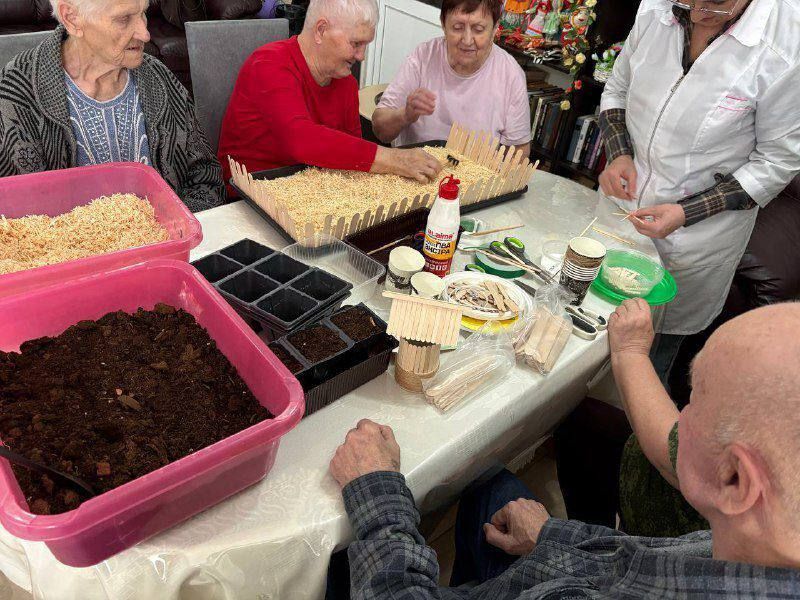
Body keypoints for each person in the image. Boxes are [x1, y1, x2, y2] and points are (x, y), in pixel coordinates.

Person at [328, 301, 800, 598]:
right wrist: (552, 535)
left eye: (694, 400)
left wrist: (379, 498)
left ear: (735, 480)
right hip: (558, 569)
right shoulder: (761, 546)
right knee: (490, 480)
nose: (680, 414)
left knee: (336, 561)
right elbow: (639, 563)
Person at [597, 0, 800, 382]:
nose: (696, 13)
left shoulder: (787, 42)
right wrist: (619, 153)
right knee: (585, 335)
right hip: (620, 210)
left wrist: (685, 212)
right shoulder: (656, 8)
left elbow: (777, 163)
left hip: (693, 242)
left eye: (716, 3)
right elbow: (617, 88)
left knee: (646, 366)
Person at [0, 0, 224, 212]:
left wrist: (176, 226)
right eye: (124, 19)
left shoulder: (158, 78)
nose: (145, 34)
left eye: (143, 13)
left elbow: (206, 176)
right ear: (72, 18)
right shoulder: (19, 92)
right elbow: (18, 217)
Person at [217, 0, 442, 187]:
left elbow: (354, 156)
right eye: (356, 43)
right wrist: (395, 159)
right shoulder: (268, 63)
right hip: (249, 194)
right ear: (321, 30)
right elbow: (301, 139)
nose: (361, 56)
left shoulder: (346, 83)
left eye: (366, 45)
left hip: (312, 190)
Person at [371, 0, 531, 156]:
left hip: (475, 171)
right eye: (457, 27)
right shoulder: (423, 57)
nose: (467, 40)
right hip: (416, 168)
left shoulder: (511, 74)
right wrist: (405, 115)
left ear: (495, 28)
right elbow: (380, 130)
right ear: (443, 24)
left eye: (479, 29)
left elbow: (519, 151)